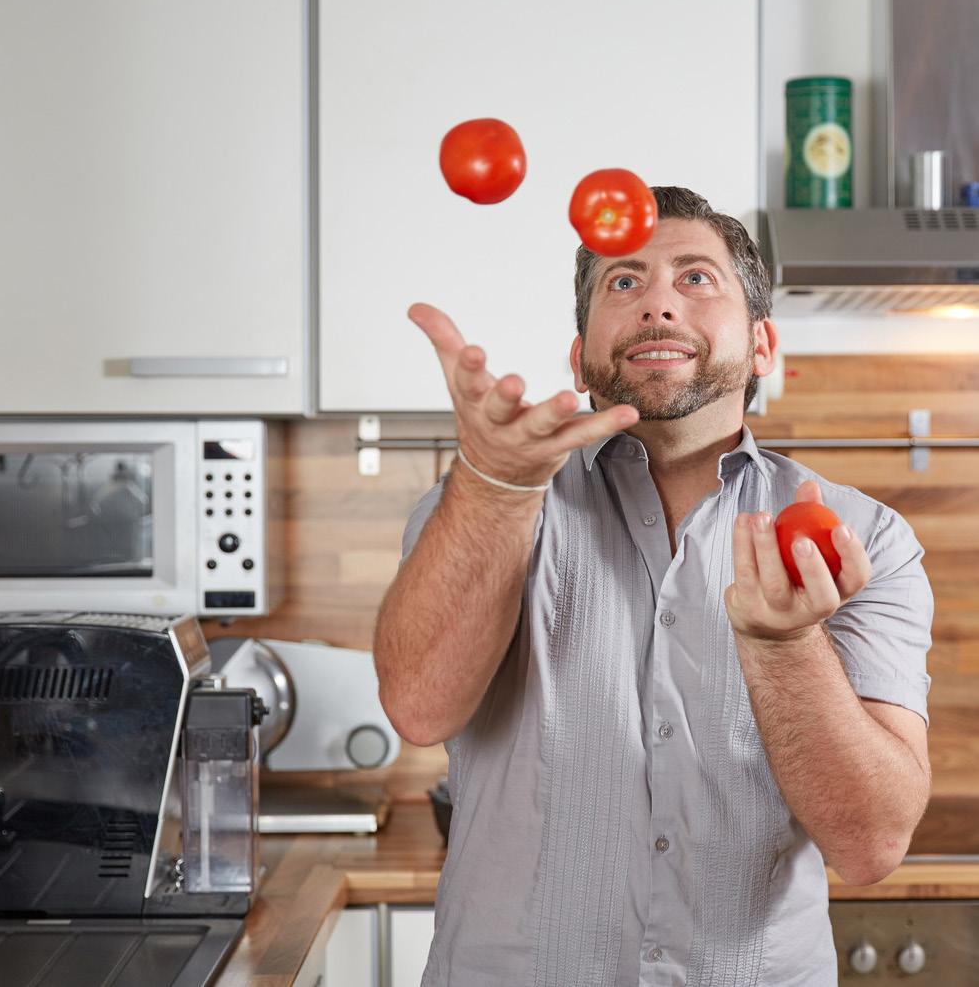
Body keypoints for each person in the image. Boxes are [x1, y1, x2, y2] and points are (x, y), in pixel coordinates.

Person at [373, 186, 932, 987]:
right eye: (623, 283)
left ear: (763, 345)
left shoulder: (862, 538)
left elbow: (869, 844)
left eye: (696, 278)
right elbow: (420, 708)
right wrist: (492, 485)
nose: (658, 306)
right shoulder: (489, 504)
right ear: (580, 355)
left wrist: (785, 642)